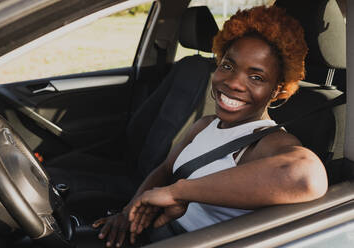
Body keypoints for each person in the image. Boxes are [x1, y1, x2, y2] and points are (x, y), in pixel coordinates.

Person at [92, 5, 328, 247]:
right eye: (228, 66)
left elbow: (306, 176)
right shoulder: (205, 124)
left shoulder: (266, 141)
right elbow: (165, 169)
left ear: (277, 90)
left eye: (256, 77)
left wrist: (179, 192)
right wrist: (129, 212)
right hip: (154, 231)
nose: (233, 82)